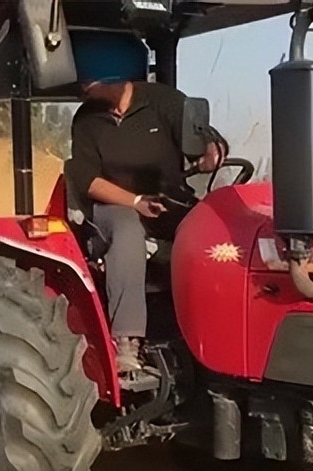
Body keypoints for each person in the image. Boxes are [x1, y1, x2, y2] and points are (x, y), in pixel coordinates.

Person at [69, 32, 225, 375]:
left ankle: (214, 332)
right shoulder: (86, 120)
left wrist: (211, 154)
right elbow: (87, 180)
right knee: (127, 229)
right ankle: (127, 340)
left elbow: (207, 141)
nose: (81, 85)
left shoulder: (163, 101)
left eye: (87, 76)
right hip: (112, 208)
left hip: (167, 203)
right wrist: (136, 201)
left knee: (217, 236)